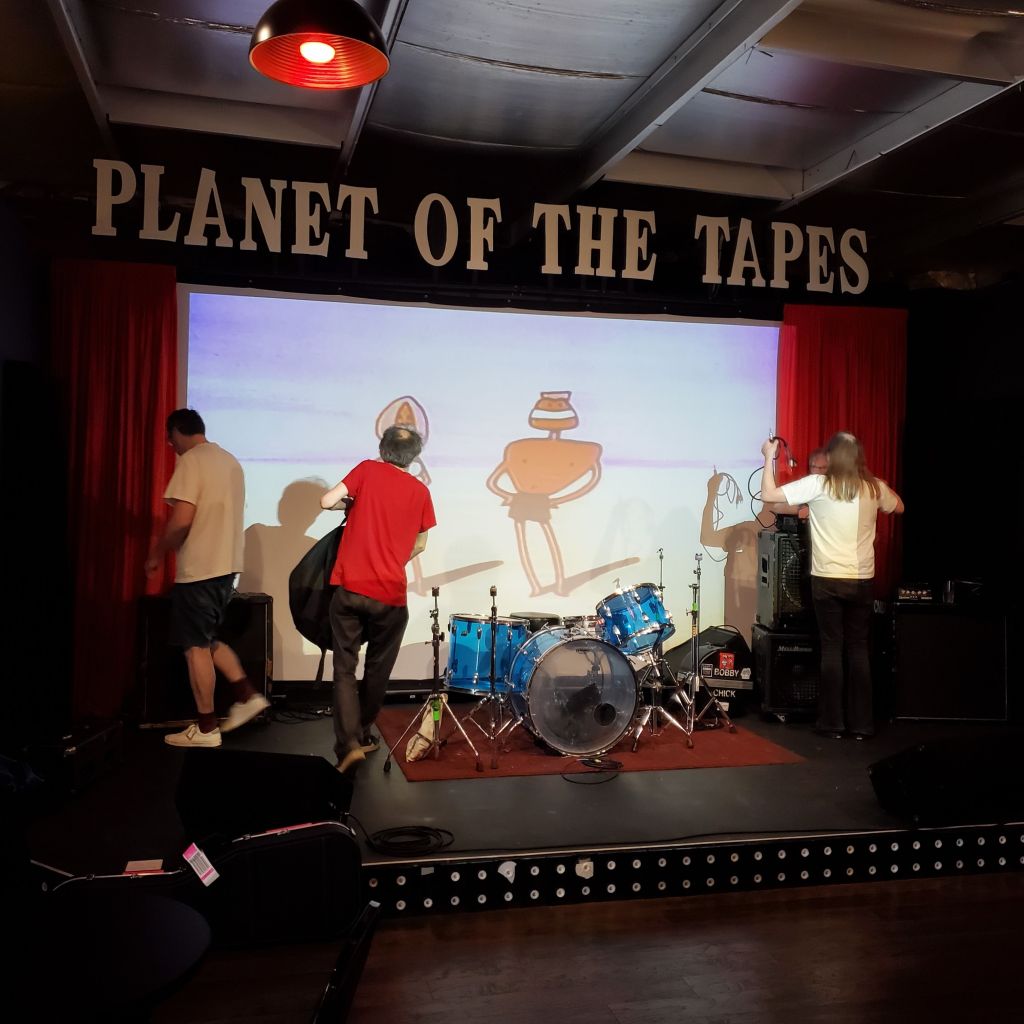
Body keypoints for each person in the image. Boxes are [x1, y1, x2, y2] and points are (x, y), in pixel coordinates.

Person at [760, 432, 903, 740]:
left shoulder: (820, 485)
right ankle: (862, 725)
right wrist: (878, 489)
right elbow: (900, 507)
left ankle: (832, 723)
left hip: (827, 579)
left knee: (832, 649)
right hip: (861, 580)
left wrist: (769, 456)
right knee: (859, 649)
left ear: (833, 458)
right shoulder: (873, 487)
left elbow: (768, 495)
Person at [145, 409, 268, 747]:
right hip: (225, 568)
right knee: (207, 638)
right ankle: (247, 695)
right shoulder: (229, 461)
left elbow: (182, 519)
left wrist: (157, 553)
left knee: (195, 647)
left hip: (200, 568)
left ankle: (206, 728)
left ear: (177, 431)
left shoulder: (193, 461)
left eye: (170, 438)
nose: (170, 445)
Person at [321, 426, 436, 774]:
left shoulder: (368, 470)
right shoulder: (420, 491)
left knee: (344, 669)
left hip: (351, 589)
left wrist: (349, 503)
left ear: (383, 448)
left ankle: (349, 744)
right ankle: (363, 733)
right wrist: (394, 560)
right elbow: (420, 544)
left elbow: (326, 501)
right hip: (389, 594)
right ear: (414, 456)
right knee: (378, 671)